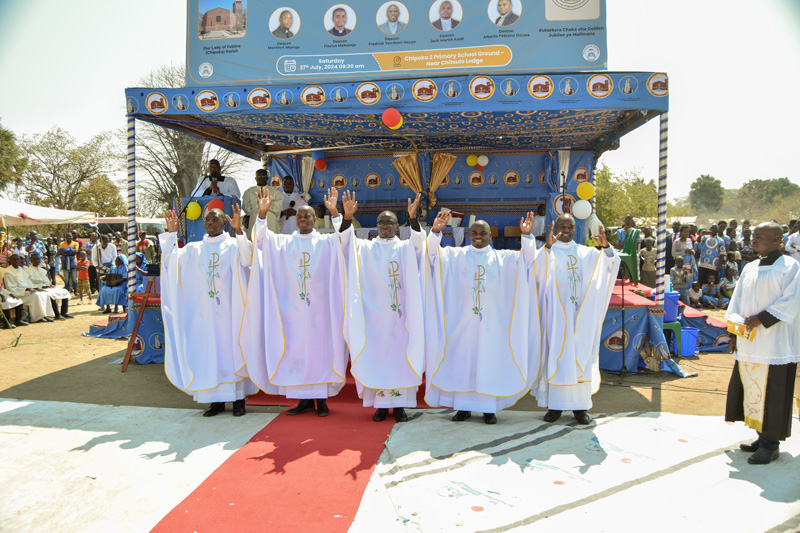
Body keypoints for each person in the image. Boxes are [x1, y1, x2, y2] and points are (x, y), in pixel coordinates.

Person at [425, 209, 540, 425]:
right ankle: (463, 407)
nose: (478, 236)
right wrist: (435, 232)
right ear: (469, 234)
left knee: (488, 363)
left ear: (490, 236)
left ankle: (488, 409)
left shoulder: (503, 258)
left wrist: (526, 236)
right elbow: (432, 255)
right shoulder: (455, 255)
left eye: (483, 233)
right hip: (462, 323)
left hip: (492, 326)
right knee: (462, 363)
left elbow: (527, 259)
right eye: (474, 232)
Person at [240, 188, 347, 417]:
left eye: (307, 216)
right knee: (297, 353)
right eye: (299, 216)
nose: (303, 219)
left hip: (321, 312)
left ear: (315, 220)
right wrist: (262, 214)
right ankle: (305, 400)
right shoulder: (284, 243)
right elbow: (261, 239)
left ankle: (321, 400)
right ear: (295, 221)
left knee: (320, 352)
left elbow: (345, 240)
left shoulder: (327, 243)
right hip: (294, 314)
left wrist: (335, 211)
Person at [336, 191, 426, 422]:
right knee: (377, 357)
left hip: (400, 318)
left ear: (398, 227)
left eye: (390, 222)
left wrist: (413, 218)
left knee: (399, 358)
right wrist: (347, 217)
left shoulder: (405, 247)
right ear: (376, 226)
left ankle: (399, 407)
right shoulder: (365, 248)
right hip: (374, 318)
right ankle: (380, 406)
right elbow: (345, 243)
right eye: (381, 222)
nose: (385, 226)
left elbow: (420, 244)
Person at [161, 204, 256, 417]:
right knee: (209, 355)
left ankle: (239, 400)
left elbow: (248, 259)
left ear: (225, 223)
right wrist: (171, 234)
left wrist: (239, 230)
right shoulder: (194, 250)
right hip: (204, 317)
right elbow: (170, 261)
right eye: (207, 220)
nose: (210, 223)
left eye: (215, 220)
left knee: (231, 353)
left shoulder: (233, 245)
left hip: (230, 315)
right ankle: (215, 402)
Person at [531, 216, 619, 425]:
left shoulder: (586, 253)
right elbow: (535, 271)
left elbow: (610, 265)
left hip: (580, 317)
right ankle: (555, 407)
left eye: (570, 227)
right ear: (554, 228)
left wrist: (607, 248)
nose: (566, 230)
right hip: (555, 316)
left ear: (575, 229)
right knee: (557, 355)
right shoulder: (547, 251)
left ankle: (580, 408)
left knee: (581, 355)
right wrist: (547, 249)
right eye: (561, 226)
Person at [725, 222, 800, 464]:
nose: (753, 240)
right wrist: (734, 332)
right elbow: (736, 302)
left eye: (759, 237)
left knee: (773, 392)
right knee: (753, 390)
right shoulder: (749, 267)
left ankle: (771, 444)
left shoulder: (791, 267)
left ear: (777, 238)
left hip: (775, 343)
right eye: (753, 237)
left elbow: (792, 300)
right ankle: (761, 435)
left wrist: (760, 319)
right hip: (749, 341)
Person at [3, 254, 54, 323]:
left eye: (17, 259)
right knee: (36, 295)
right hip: (18, 293)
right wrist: (26, 289)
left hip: (26, 291)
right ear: (10, 261)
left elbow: (28, 282)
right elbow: (11, 288)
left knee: (43, 293)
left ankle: (45, 315)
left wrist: (35, 287)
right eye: (14, 260)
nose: (16, 261)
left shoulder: (20, 269)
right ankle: (37, 318)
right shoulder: (8, 272)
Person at [26, 253, 72, 320]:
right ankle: (57, 314)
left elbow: (46, 281)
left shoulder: (42, 270)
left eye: (38, 259)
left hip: (46, 287)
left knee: (64, 291)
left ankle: (64, 312)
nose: (36, 260)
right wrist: (41, 286)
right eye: (34, 259)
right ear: (31, 261)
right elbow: (29, 284)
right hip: (38, 288)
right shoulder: (28, 271)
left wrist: (49, 285)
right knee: (51, 294)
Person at [242, 169, 283, 236]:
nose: (261, 179)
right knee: (255, 242)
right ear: (255, 178)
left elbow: (279, 207)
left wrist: (267, 202)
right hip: (254, 220)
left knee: (271, 243)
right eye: (259, 177)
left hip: (270, 221)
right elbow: (245, 207)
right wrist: (257, 201)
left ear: (267, 178)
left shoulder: (275, 191)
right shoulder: (249, 191)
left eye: (263, 177)